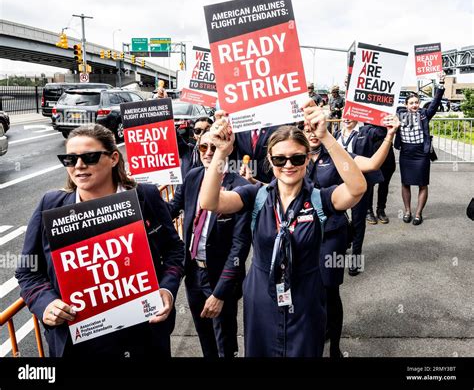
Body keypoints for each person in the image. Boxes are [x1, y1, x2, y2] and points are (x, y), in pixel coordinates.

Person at [199, 106, 367, 357]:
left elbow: (357, 188)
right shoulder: (255, 195)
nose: (288, 165)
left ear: (307, 158)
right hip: (261, 298)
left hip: (305, 298)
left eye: (297, 158)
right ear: (270, 160)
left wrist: (326, 138)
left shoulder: (320, 199)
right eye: (280, 159)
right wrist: (222, 152)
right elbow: (209, 202)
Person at [15, 124, 185, 357]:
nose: (79, 166)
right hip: (78, 343)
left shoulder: (145, 196)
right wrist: (46, 304)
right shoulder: (51, 204)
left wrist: (167, 288)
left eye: (90, 157)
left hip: (144, 337)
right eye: (70, 159)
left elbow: (175, 250)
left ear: (114, 158)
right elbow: (28, 271)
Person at [303, 112, 400, 357]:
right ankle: (316, 333)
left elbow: (373, 164)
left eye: (316, 128)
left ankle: (334, 345)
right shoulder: (293, 158)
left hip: (332, 234)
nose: (312, 133)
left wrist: (390, 135)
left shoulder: (337, 154)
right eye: (307, 130)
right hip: (302, 234)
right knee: (306, 289)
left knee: (329, 289)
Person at [166, 131, 251, 358]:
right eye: (203, 148)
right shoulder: (193, 177)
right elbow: (169, 212)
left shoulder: (239, 186)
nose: (209, 153)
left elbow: (239, 246)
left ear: (227, 149)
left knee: (224, 341)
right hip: (193, 272)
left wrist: (221, 294)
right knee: (205, 336)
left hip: (221, 276)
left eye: (214, 148)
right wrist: (137, 195)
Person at [334, 116, 385, 276]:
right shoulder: (335, 134)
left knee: (357, 221)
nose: (347, 119)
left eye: (351, 116)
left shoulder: (367, 131)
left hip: (360, 184)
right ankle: (343, 247)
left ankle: (355, 260)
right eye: (344, 116)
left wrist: (383, 117)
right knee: (339, 219)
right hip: (338, 185)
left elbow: (382, 132)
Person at [395, 72, 446, 225]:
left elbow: (435, 102)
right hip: (406, 154)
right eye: (411, 103)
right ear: (406, 105)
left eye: (416, 102)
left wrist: (441, 84)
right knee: (405, 183)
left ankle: (418, 214)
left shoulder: (424, 114)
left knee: (422, 184)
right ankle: (407, 211)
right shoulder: (398, 114)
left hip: (421, 154)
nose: (415, 105)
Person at [365, 124, 396, 224]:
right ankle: (368, 210)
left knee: (384, 184)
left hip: (387, 153)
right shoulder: (368, 111)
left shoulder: (390, 111)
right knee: (370, 184)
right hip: (370, 153)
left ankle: (381, 210)